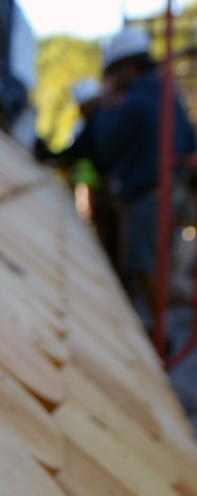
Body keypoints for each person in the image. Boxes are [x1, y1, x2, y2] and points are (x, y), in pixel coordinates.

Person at [98, 26, 197, 308]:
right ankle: (163, 322)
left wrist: (108, 108)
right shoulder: (168, 94)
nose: (113, 79)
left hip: (149, 193)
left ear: (128, 67)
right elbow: (190, 141)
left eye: (115, 72)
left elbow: (107, 145)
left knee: (143, 263)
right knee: (162, 260)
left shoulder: (134, 101)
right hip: (175, 190)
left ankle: (159, 328)